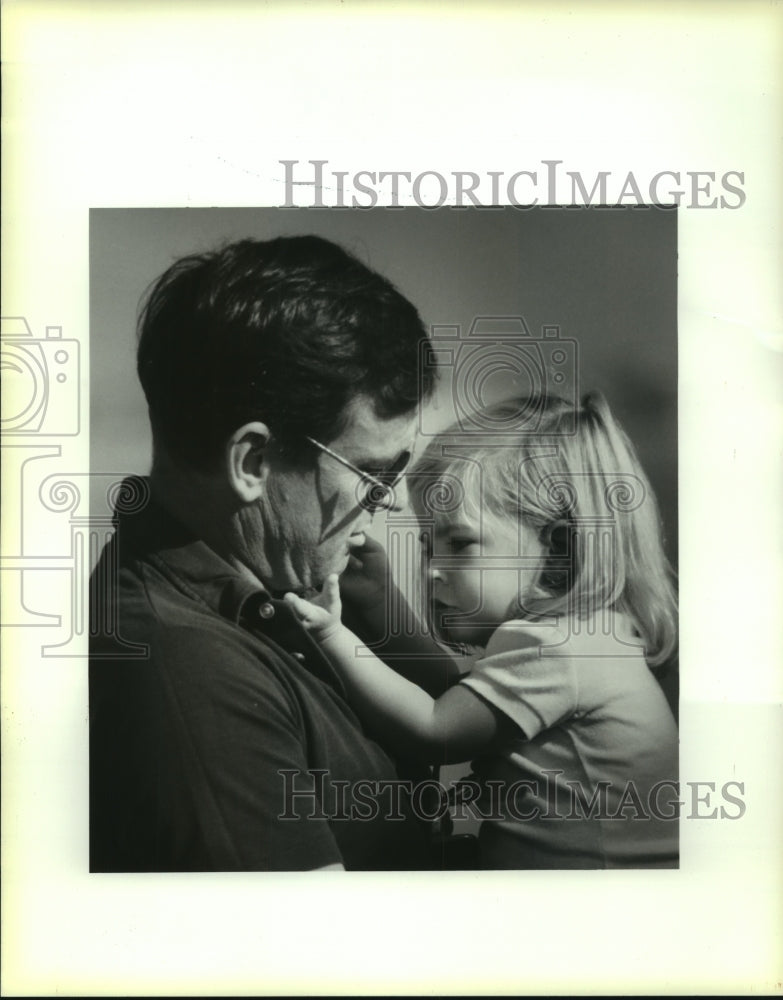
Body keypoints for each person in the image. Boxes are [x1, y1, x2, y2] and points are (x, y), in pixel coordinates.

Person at [89, 234, 455, 872]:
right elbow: (316, 957)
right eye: (373, 474)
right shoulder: (189, 669)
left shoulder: (283, 586)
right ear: (252, 462)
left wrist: (387, 617)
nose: (388, 502)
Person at [285, 392, 680, 869]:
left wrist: (333, 636)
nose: (432, 570)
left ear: (557, 548)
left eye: (461, 543)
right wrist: (380, 598)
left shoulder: (557, 648)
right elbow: (455, 699)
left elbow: (438, 730)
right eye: (429, 545)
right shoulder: (587, 634)